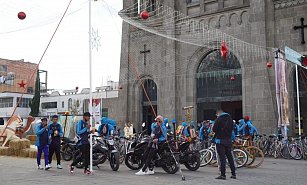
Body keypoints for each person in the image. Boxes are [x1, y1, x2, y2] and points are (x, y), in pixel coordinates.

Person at [212, 110, 236, 180]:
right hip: (228, 141)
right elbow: (232, 130)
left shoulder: (218, 119)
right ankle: (233, 174)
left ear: (219, 114)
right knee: (230, 158)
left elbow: (214, 129)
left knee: (222, 158)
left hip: (220, 141)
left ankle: (223, 175)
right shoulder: (230, 119)